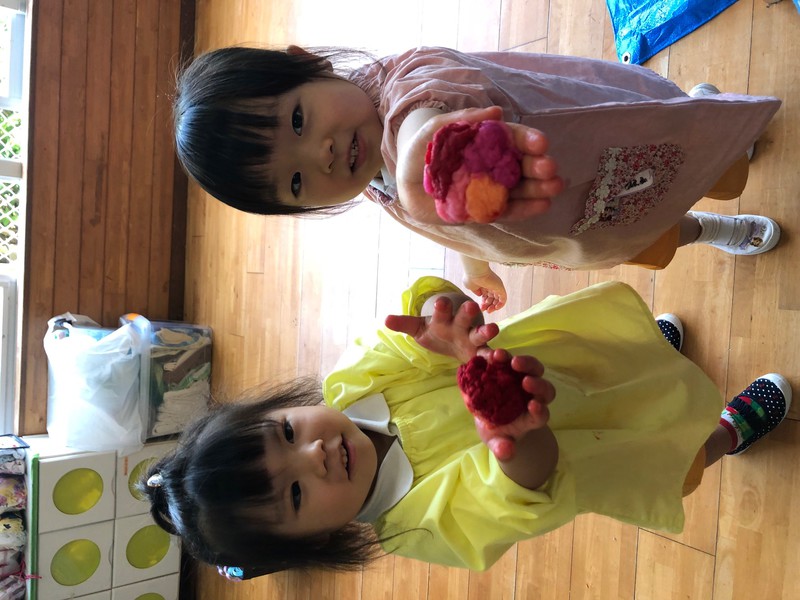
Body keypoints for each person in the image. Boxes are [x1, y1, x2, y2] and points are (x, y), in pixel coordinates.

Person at [141, 276, 792, 579]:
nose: (315, 454)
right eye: (294, 494)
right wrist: (513, 437)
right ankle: (726, 433)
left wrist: (441, 316)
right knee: (677, 457)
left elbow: (421, 323)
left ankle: (651, 351)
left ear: (282, 406)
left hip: (559, 358)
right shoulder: (418, 527)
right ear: (316, 540)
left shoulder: (352, 381)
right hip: (590, 444)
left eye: (286, 433)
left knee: (615, 355)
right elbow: (523, 492)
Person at [173, 46, 782, 311]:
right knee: (655, 239)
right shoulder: (379, 185)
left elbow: (424, 116)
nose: (322, 156)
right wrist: (475, 265)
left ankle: (705, 118)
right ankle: (710, 229)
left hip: (613, 146)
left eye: (298, 121)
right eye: (297, 181)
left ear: (307, 64)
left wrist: (426, 153)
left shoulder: (409, 83)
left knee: (711, 158)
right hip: (583, 222)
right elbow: (441, 219)